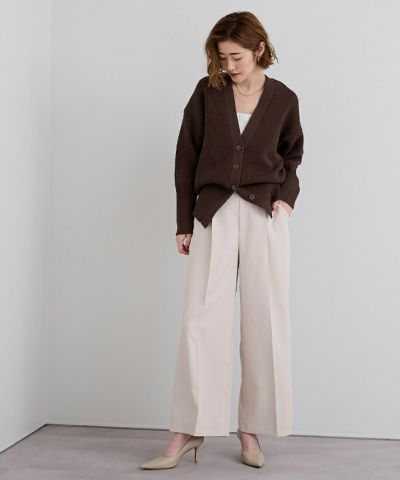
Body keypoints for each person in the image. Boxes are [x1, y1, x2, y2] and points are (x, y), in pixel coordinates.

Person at [140, 10, 304, 470]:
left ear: (258, 49)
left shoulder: (284, 99)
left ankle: (251, 428)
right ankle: (188, 429)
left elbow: (293, 156)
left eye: (236, 57)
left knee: (265, 318)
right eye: (221, 57)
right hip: (213, 212)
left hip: (264, 214)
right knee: (201, 320)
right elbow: (186, 155)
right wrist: (183, 221)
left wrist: (286, 200)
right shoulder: (207, 92)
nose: (228, 66)